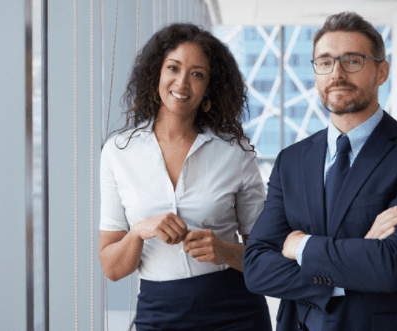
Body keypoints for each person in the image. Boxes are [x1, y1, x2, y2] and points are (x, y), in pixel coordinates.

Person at [243, 12, 397, 331]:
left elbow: (391, 266)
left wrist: (301, 247)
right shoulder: (292, 160)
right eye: (325, 62)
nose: (336, 73)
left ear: (381, 71)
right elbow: (257, 267)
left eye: (352, 61)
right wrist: (359, 257)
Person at [99, 23, 272, 331]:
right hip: (159, 312)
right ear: (156, 74)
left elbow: (266, 258)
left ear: (209, 87)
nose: (182, 82)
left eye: (197, 74)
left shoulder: (235, 152)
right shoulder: (118, 152)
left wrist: (223, 250)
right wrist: (139, 231)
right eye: (173, 68)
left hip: (235, 311)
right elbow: (112, 268)